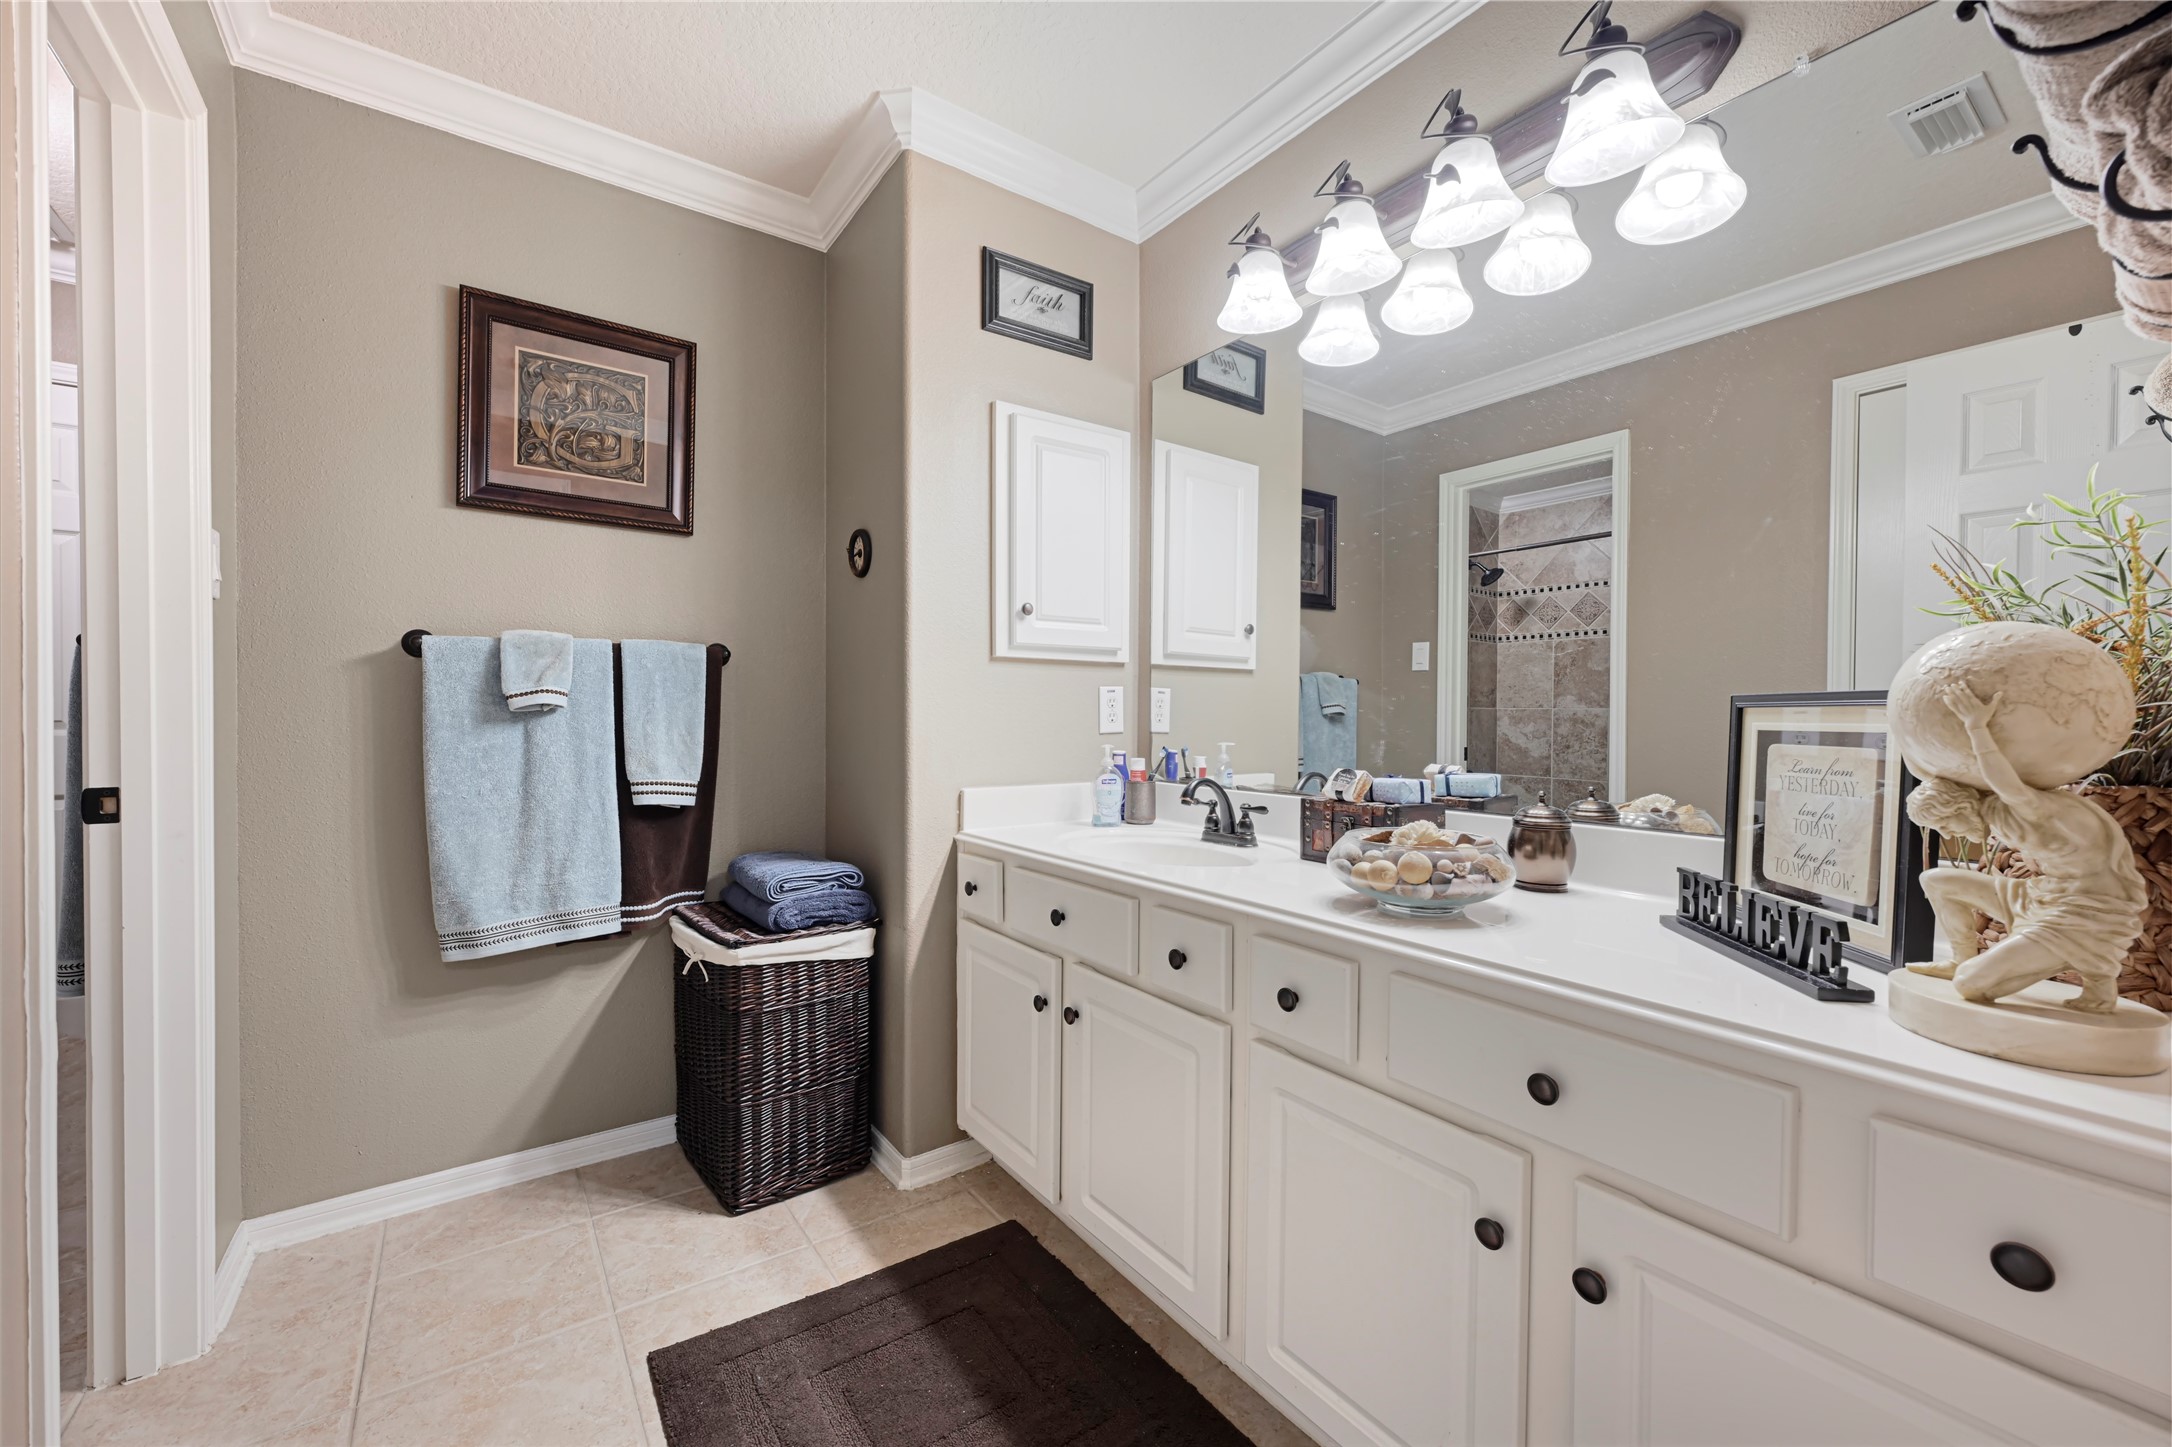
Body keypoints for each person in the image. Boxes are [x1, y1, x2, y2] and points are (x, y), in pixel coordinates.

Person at [1903, 683, 2145, 1013]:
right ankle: (1961, 961)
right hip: (2042, 896)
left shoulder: (2020, 806)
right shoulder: (1999, 811)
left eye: (1944, 825)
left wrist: (1976, 725)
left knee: (1970, 986)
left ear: (1958, 808)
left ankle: (2083, 964)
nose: (1947, 834)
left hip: (2080, 915)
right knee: (1935, 880)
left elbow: (2004, 779)